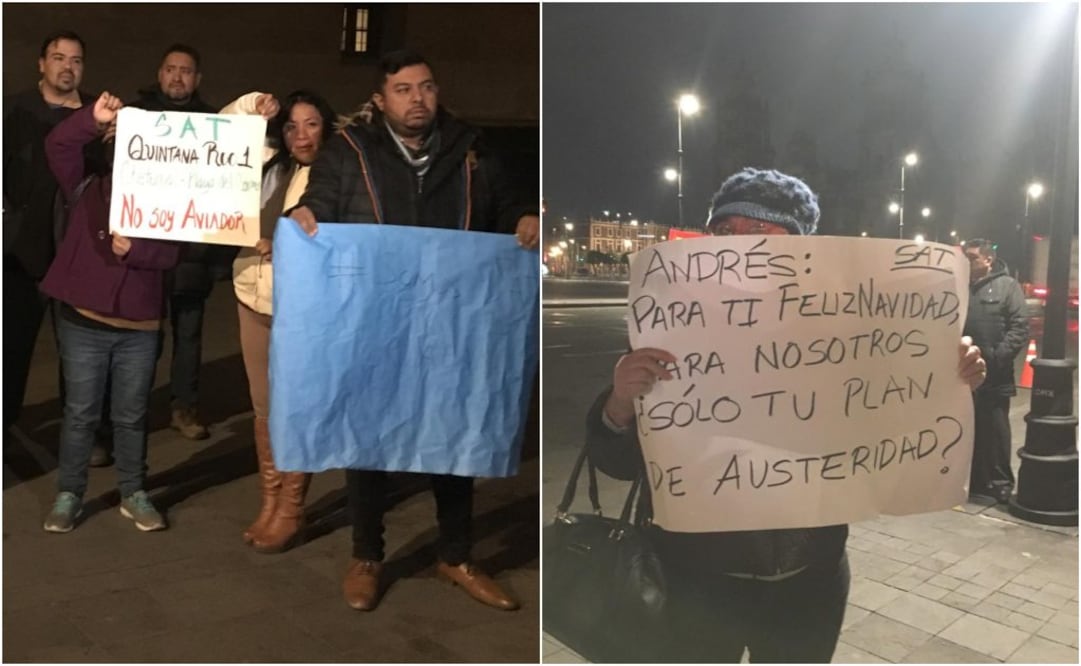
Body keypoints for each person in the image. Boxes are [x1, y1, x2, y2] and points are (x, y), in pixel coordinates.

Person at [584, 168, 988, 663]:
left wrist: (949, 374)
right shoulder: (672, 326)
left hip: (810, 578)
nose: (739, 246)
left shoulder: (852, 330)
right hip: (695, 581)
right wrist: (620, 402)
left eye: (761, 232)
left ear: (804, 249)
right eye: (725, 231)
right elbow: (617, 463)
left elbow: (899, 415)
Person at [290, 49, 539, 611]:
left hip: (451, 325)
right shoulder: (349, 152)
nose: (418, 98)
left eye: (426, 87)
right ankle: (367, 556)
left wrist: (526, 215)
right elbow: (320, 203)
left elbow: (507, 206)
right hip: (374, 323)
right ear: (380, 100)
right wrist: (304, 216)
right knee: (369, 440)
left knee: (452, 440)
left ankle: (456, 554)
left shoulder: (473, 150)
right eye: (403, 89)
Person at [39, 92, 181, 533]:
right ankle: (69, 492)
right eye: (121, 137)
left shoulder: (166, 196)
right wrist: (92, 118)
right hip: (84, 320)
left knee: (131, 414)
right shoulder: (86, 185)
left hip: (139, 325)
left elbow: (176, 251)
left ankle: (132, 491)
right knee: (81, 412)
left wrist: (140, 250)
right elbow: (57, 145)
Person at [222, 89, 335, 553]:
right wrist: (253, 104)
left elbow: (340, 239)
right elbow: (224, 133)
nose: (301, 135)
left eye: (311, 124)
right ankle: (269, 499)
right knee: (264, 407)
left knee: (297, 409)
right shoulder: (269, 165)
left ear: (326, 127)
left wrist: (285, 242)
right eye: (291, 126)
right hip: (250, 294)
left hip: (301, 309)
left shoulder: (338, 175)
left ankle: (292, 508)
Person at [128, 43, 233, 441]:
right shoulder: (136, 117)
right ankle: (132, 409)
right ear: (159, 73)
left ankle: (183, 408)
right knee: (142, 338)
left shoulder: (214, 124)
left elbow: (227, 189)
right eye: (171, 69)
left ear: (197, 79)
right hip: (145, 253)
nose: (177, 77)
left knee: (189, 336)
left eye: (185, 71)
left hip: (192, 252)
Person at [4, 30, 93, 451]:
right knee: (11, 350)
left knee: (78, 356)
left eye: (75, 60)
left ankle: (81, 436)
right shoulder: (13, 110)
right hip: (21, 255)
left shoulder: (98, 116)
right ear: (42, 64)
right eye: (58, 57)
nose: (67, 66)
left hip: (76, 257)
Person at [963, 238, 1028, 504]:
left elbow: (1019, 327)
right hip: (965, 372)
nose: (967, 262)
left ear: (988, 260)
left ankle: (1001, 482)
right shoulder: (961, 287)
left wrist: (998, 357)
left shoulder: (1007, 286)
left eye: (972, 258)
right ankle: (975, 480)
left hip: (995, 373)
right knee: (969, 428)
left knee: (996, 429)